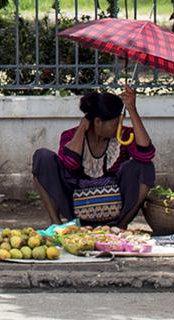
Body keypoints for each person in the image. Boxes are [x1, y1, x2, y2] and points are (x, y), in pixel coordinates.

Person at [31, 87, 156, 226]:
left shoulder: (124, 136)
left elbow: (146, 154)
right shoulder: (70, 136)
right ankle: (56, 224)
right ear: (97, 122)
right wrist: (81, 128)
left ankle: (120, 225)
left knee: (145, 167)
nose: (119, 127)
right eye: (115, 123)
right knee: (42, 157)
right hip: (76, 203)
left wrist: (132, 110)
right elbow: (70, 164)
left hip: (115, 204)